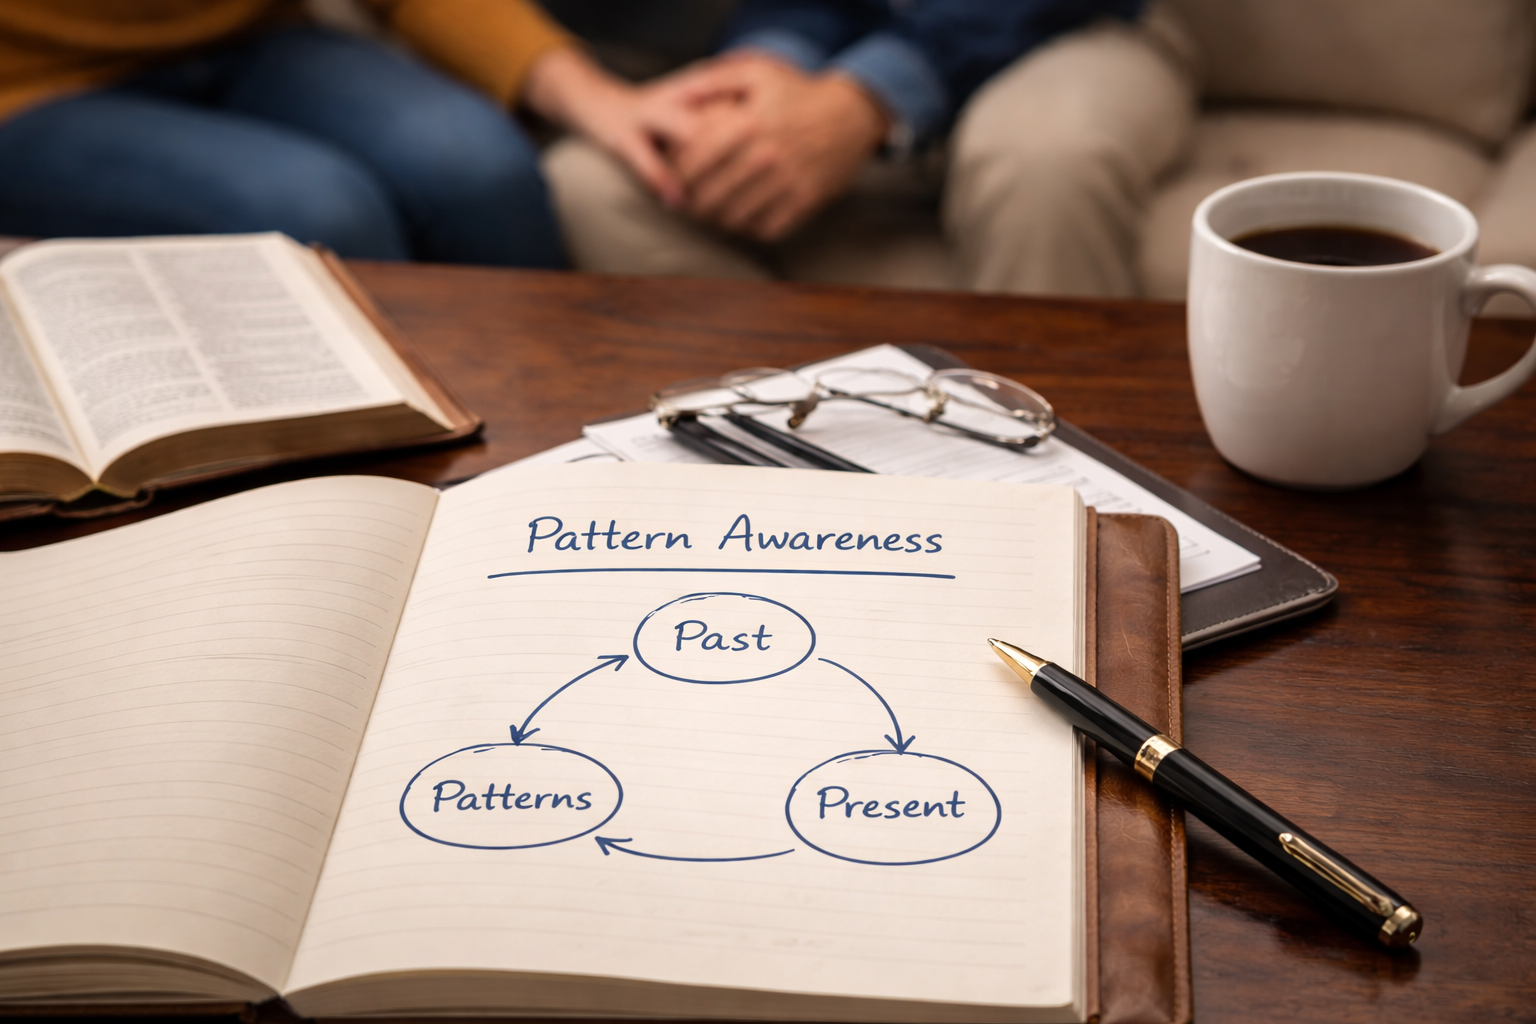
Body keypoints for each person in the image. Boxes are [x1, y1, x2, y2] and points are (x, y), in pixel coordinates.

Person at [545, 0, 1198, 296]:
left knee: (1043, 159)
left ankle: (1059, 505)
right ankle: (803, 474)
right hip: (844, 42)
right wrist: (767, 75)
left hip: (1070, 28)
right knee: (592, 182)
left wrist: (868, 96)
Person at [0, 0, 695, 267]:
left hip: (253, 35)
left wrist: (598, 98)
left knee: (483, 170)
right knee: (322, 213)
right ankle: (387, 520)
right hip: (24, 87)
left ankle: (552, 483)